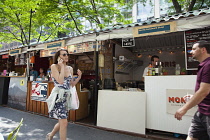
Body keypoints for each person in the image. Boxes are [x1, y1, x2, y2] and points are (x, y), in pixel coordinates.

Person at [174, 40, 210, 140]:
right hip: (201, 112)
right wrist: (193, 97)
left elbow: (204, 91)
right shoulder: (204, 65)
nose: (191, 52)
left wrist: (184, 108)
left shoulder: (208, 65)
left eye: (194, 49)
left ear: (203, 50)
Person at [46, 49, 82, 140]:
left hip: (67, 97)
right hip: (58, 97)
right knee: (64, 122)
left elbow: (71, 84)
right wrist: (62, 67)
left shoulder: (70, 68)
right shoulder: (54, 66)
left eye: (67, 54)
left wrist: (79, 77)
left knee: (63, 121)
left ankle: (50, 135)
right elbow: (60, 81)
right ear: (59, 57)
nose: (66, 56)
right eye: (64, 54)